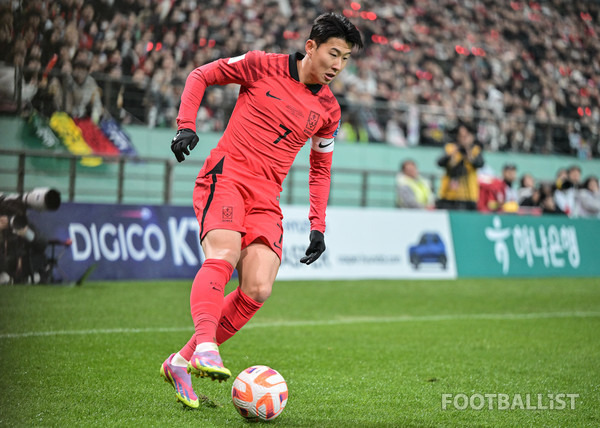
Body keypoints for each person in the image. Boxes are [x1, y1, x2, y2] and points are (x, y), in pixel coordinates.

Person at [159, 13, 363, 409]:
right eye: (333, 54)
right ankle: (205, 346)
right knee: (223, 254)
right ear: (311, 47)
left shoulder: (329, 110)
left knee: (258, 288)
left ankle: (180, 361)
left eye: (345, 59)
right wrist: (186, 124)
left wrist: (317, 225)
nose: (337, 66)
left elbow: (321, 168)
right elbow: (200, 74)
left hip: (267, 196)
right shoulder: (260, 65)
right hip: (228, 176)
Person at [435, 122, 484, 210]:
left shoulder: (475, 150)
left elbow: (480, 164)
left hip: (469, 196)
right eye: (461, 136)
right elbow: (439, 162)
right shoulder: (450, 148)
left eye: (466, 136)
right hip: (449, 196)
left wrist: (468, 152)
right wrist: (452, 154)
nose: (463, 139)